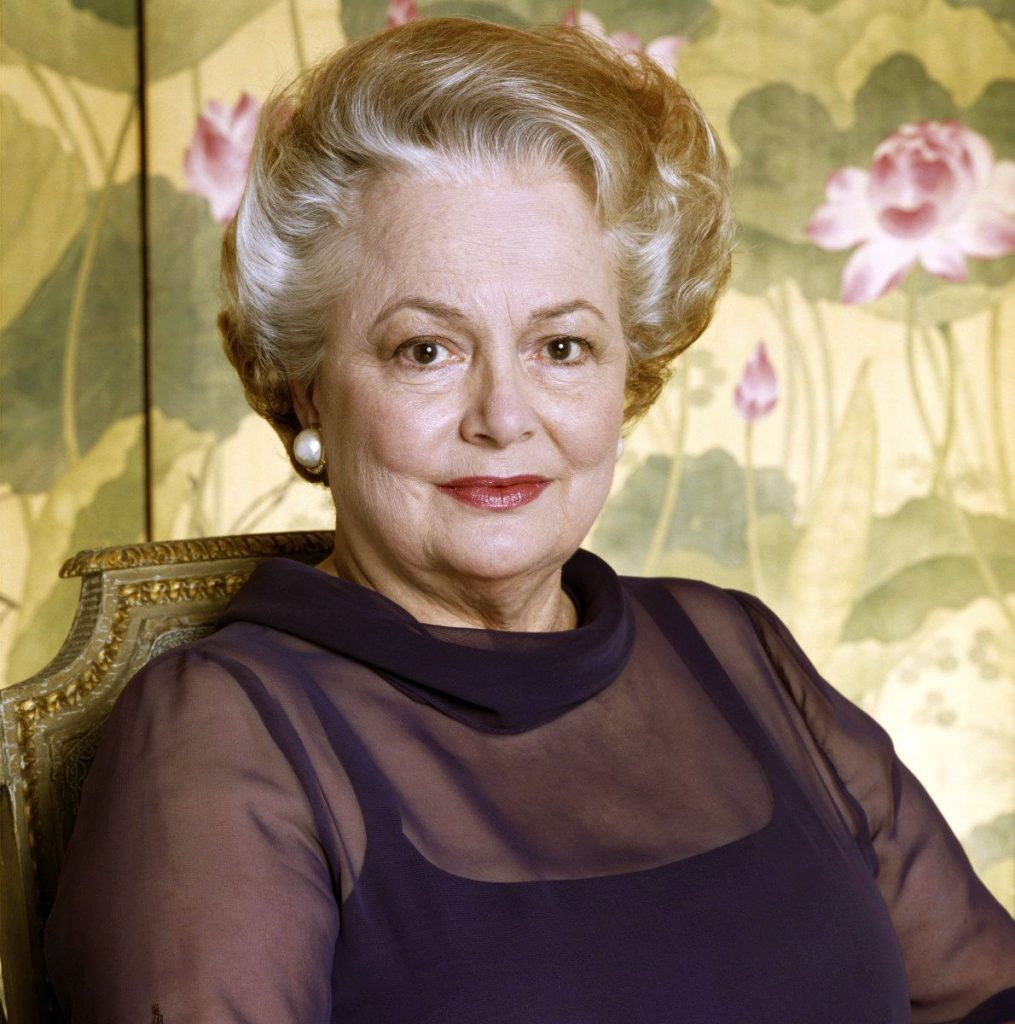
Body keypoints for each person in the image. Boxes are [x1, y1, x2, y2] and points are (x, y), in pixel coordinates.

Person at [45, 17, 1015, 1023]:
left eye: (561, 347)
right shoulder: (220, 729)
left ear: (627, 374)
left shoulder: (739, 653)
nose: (503, 418)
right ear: (305, 388)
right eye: (425, 350)